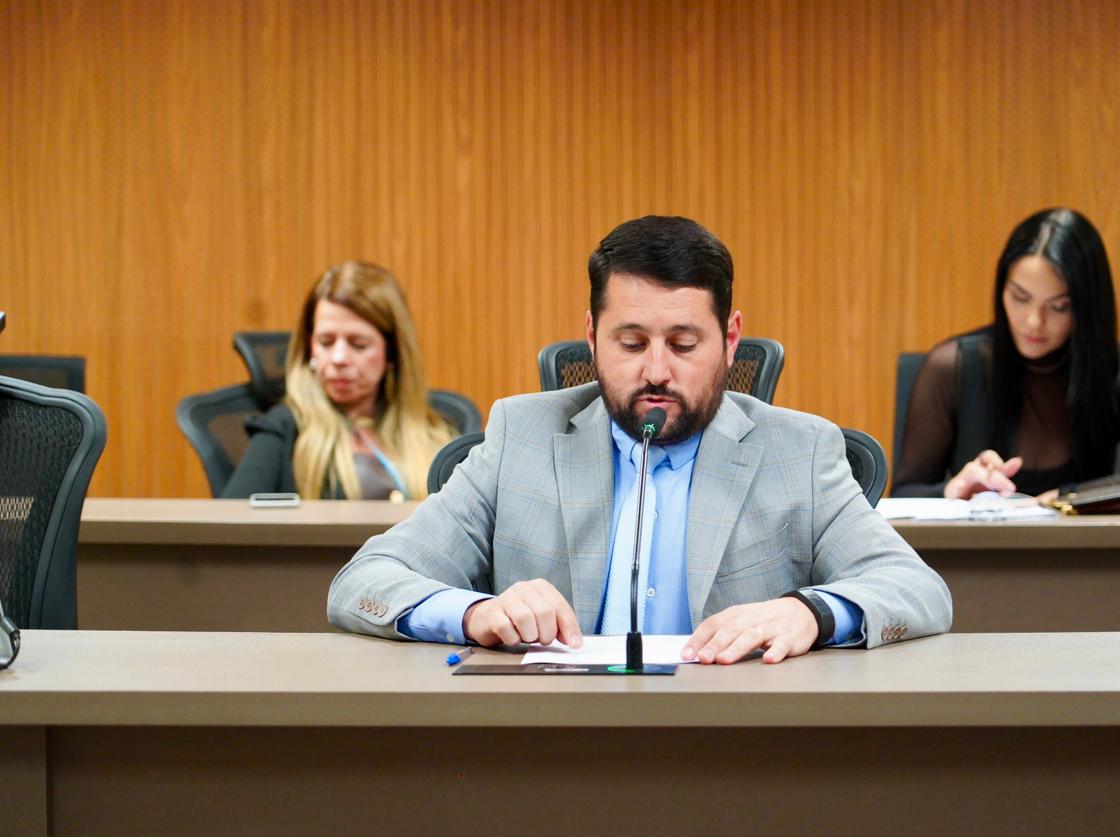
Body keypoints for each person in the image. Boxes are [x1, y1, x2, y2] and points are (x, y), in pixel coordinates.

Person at [328, 216, 951, 663]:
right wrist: (472, 613)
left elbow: (916, 588)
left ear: (731, 340)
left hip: (734, 742)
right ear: (591, 335)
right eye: (630, 343)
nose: (656, 370)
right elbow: (365, 581)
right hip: (552, 741)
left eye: (683, 344)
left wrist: (808, 612)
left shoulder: (800, 452)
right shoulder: (522, 436)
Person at [892, 208, 1120, 502]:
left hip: (1083, 545)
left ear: (1086, 307)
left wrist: (1070, 496)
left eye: (1059, 306)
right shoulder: (953, 367)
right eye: (1020, 297)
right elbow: (904, 495)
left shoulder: (1116, 368)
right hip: (977, 548)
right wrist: (953, 489)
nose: (1034, 322)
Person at [222, 261, 456, 501]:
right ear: (309, 347)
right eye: (325, 342)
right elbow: (229, 521)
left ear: (392, 352)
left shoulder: (437, 432)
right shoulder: (282, 430)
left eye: (358, 344)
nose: (338, 358)